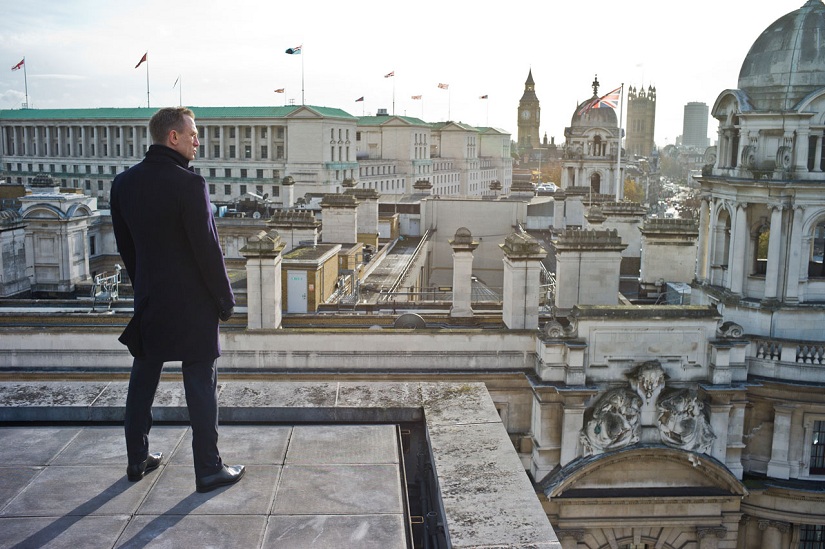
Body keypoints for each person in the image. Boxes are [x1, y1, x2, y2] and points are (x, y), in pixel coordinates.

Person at [111, 106, 244, 493]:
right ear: (173, 137)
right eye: (193, 134)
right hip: (193, 303)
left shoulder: (123, 183)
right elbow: (208, 249)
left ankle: (137, 458)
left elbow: (126, 247)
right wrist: (224, 298)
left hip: (152, 297)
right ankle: (208, 468)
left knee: (143, 376)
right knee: (200, 383)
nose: (197, 141)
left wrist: (145, 286)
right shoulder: (190, 184)